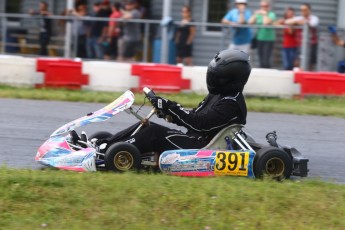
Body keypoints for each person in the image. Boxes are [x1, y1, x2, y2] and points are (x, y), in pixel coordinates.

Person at [87, 49, 251, 156]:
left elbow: (200, 124)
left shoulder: (232, 105)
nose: (213, 80)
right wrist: (168, 112)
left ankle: (108, 151)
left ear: (232, 79)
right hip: (193, 140)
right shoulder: (219, 95)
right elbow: (194, 116)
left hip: (200, 150)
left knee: (153, 132)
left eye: (218, 77)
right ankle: (104, 144)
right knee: (147, 126)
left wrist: (172, 108)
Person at [285, 3, 319, 71]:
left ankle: (309, 77)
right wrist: (298, 21)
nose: (303, 12)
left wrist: (301, 22)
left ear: (309, 10)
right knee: (297, 62)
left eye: (305, 10)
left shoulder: (314, 18)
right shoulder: (299, 18)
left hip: (311, 45)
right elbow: (287, 21)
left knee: (310, 63)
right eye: (301, 10)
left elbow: (312, 24)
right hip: (300, 45)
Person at [249, 0, 276, 68]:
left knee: (265, 59)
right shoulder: (258, 15)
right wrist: (255, 14)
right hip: (259, 38)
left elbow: (266, 22)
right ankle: (263, 73)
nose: (263, 8)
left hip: (269, 39)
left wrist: (264, 14)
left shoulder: (271, 14)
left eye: (265, 6)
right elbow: (250, 22)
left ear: (268, 7)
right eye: (262, 6)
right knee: (261, 58)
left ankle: (268, 73)